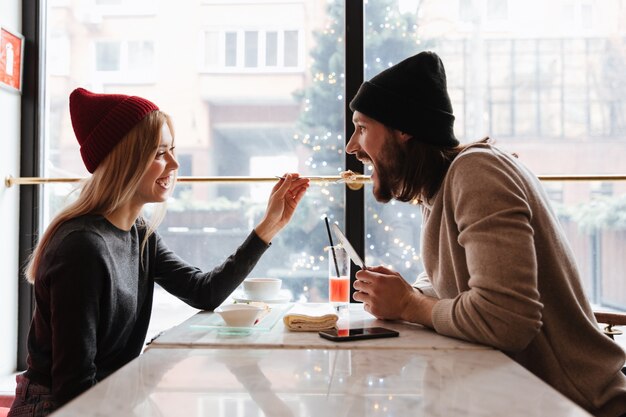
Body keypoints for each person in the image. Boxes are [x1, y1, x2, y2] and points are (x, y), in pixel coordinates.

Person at [346, 51, 626, 416]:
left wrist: (408, 305)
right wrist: (408, 292)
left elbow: (506, 320)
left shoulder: (476, 172)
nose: (352, 146)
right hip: (528, 399)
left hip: (581, 405)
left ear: (404, 129)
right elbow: (463, 288)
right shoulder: (441, 187)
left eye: (363, 128)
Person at [8, 87, 309, 417]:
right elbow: (75, 392)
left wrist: (269, 226)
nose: (175, 164)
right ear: (125, 161)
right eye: (160, 153)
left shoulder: (138, 231)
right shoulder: (82, 247)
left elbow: (204, 292)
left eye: (172, 151)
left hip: (105, 401)